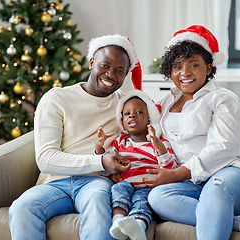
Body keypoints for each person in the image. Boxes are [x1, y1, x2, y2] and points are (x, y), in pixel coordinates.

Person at [8, 34, 143, 240]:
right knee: (21, 208)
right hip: (55, 183)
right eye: (105, 65)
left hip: (96, 183)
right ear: (91, 63)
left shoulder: (127, 105)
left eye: (119, 71)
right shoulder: (57, 98)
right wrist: (100, 161)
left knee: (98, 205)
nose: (110, 74)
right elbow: (45, 159)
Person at [144, 25, 240, 240]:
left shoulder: (224, 99)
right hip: (192, 184)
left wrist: (177, 174)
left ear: (209, 67)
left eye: (194, 65)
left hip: (232, 175)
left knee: (215, 188)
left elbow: (224, 148)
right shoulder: (166, 103)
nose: (185, 73)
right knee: (157, 197)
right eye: (177, 67)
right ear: (170, 71)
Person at [95, 90, 178, 240]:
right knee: (118, 191)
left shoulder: (158, 142)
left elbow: (170, 169)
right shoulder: (120, 141)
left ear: (149, 119)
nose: (132, 115)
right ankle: (118, 222)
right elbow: (106, 169)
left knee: (141, 203)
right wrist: (100, 149)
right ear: (122, 122)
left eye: (139, 112)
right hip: (125, 183)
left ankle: (138, 227)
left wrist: (159, 147)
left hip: (147, 186)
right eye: (127, 114)